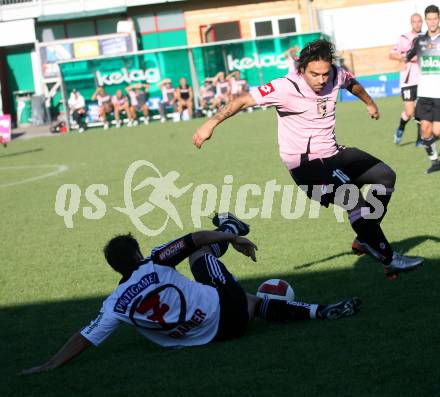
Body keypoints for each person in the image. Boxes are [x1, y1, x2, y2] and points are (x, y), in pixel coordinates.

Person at [193, 39, 424, 280]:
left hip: (334, 153)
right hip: (306, 165)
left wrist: (370, 103)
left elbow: (351, 83)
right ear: (302, 68)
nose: (322, 80)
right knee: (353, 198)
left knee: (385, 176)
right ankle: (389, 258)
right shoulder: (285, 87)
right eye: (315, 74)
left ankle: (366, 238)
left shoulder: (335, 74)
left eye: (325, 74)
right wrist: (210, 124)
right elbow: (242, 101)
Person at [21, 213, 360, 375]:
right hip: (228, 311)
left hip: (209, 337)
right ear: (138, 255)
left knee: (251, 302)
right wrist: (230, 238)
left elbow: (85, 336)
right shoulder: (154, 261)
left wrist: (49, 365)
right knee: (204, 258)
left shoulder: (115, 303)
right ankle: (231, 226)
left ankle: (319, 311)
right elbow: (196, 239)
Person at [406, 5, 440, 174]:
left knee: (437, 131)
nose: (432, 22)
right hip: (424, 93)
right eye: (430, 19)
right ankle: (435, 162)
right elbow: (408, 55)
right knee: (425, 129)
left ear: (439, 19)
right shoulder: (419, 41)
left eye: (435, 18)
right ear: (426, 20)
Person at [389, 13, 423, 146]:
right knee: (409, 112)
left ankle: (420, 138)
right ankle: (400, 128)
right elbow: (391, 54)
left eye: (419, 21)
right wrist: (406, 57)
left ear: (422, 22)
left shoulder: (426, 38)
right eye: (414, 22)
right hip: (407, 80)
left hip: (422, 80)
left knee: (421, 110)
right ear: (411, 23)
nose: (417, 24)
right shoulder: (403, 38)